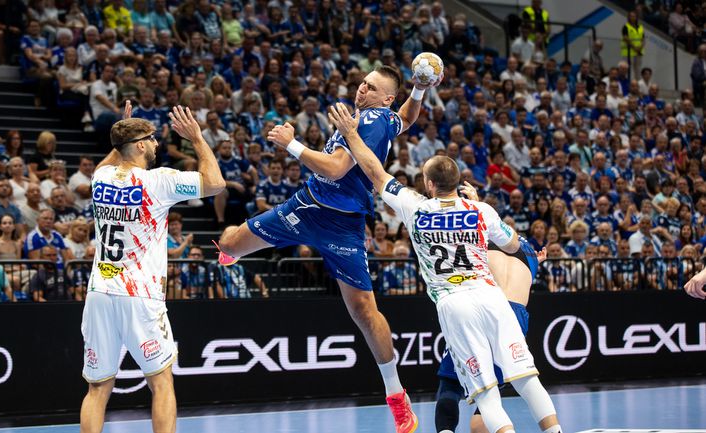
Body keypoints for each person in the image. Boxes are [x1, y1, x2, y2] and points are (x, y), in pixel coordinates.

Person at [216, 66, 432, 433]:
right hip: (307, 207)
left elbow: (334, 169)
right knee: (229, 244)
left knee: (364, 311)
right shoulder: (377, 116)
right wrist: (420, 91)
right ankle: (229, 250)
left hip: (342, 227)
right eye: (362, 82)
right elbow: (407, 119)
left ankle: (397, 396)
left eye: (371, 87)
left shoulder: (372, 120)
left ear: (385, 99)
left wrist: (292, 144)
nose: (361, 89)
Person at [328, 101, 563, 433]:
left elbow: (376, 173)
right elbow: (513, 246)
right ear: (457, 180)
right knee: (527, 378)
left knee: (486, 393)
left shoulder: (416, 207)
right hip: (491, 296)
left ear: (428, 183)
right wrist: (488, 220)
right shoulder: (482, 211)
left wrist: (352, 135)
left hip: (455, 304)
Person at [79, 105, 225, 433]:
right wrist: (197, 139)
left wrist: (123, 131)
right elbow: (216, 183)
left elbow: (110, 161)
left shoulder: (100, 179)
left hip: (100, 292)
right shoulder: (158, 181)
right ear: (141, 145)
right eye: (152, 139)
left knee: (97, 388)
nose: (157, 143)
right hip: (140, 295)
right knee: (161, 382)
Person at [434, 182, 547, 433]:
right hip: (515, 317)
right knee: (493, 394)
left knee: (450, 384)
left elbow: (469, 229)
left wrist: (473, 202)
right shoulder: (530, 255)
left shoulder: (481, 241)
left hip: (486, 307)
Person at [621, 10, 645, 80]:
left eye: (634, 16)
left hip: (638, 51)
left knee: (638, 69)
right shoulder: (626, 27)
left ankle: (637, 83)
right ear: (628, 17)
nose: (632, 18)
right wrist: (634, 47)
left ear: (636, 17)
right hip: (629, 51)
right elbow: (625, 38)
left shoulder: (640, 27)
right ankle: (628, 82)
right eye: (631, 16)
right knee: (628, 69)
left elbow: (643, 38)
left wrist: (640, 47)